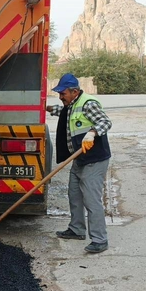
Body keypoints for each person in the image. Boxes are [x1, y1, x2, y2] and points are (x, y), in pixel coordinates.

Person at [46, 73, 112, 253]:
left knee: (91, 200)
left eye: (63, 93)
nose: (60, 97)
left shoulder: (88, 104)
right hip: (79, 159)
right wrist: (48, 108)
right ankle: (76, 229)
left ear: (74, 91)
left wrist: (92, 133)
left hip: (94, 160)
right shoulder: (72, 105)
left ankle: (100, 239)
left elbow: (105, 122)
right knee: (74, 195)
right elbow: (66, 114)